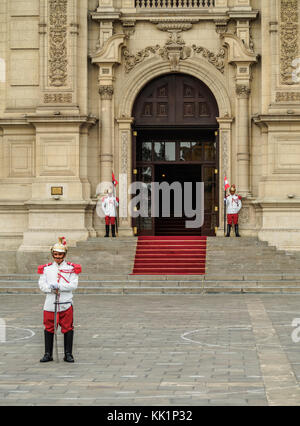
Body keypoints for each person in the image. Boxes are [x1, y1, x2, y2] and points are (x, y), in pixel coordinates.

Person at [38, 237, 81, 363]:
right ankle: (48, 353)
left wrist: (60, 287)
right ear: (52, 254)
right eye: (55, 254)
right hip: (50, 303)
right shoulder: (46, 269)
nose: (58, 257)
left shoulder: (72, 268)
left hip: (66, 303)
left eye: (60, 255)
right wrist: (51, 289)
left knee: (68, 328)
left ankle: (68, 354)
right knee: (49, 328)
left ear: (64, 255)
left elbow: (74, 285)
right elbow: (42, 285)